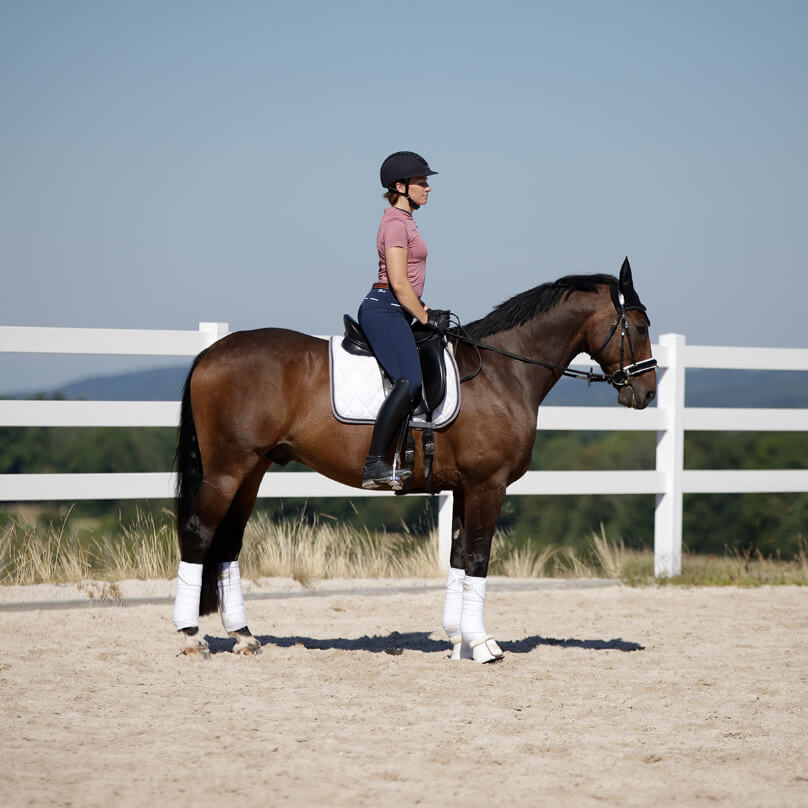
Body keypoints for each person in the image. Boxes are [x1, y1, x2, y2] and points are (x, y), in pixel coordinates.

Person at [358, 151, 444, 489]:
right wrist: (425, 315)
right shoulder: (395, 223)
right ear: (400, 186)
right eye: (422, 182)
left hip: (399, 307)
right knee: (410, 380)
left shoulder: (406, 221)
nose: (428, 188)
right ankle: (375, 463)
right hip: (386, 307)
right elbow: (398, 282)